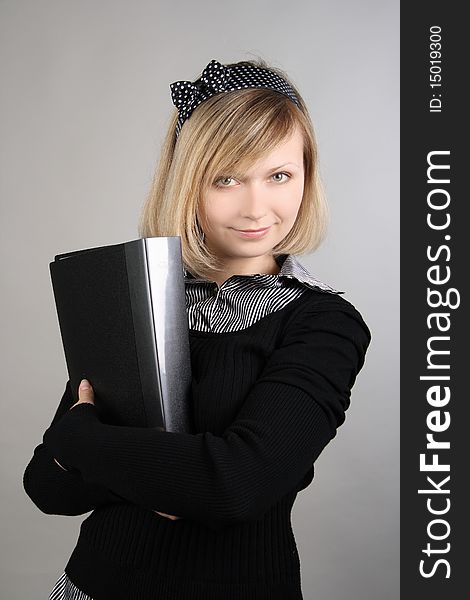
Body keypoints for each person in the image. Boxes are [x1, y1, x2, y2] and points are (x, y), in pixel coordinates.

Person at [23, 58, 371, 600]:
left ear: (306, 175)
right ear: (188, 184)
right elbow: (48, 487)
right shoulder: (133, 299)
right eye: (226, 179)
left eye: (279, 175)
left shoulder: (324, 324)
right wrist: (164, 470)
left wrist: (82, 441)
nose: (257, 206)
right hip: (90, 587)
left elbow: (234, 486)